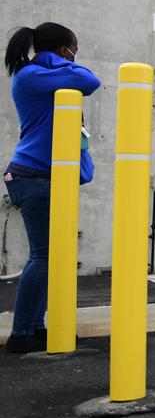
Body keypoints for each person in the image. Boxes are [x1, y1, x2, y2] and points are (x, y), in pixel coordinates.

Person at [4, 23, 101, 354]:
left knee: (51, 256)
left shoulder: (39, 75)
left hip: (42, 176)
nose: (76, 56)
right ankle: (21, 335)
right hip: (34, 177)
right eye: (73, 49)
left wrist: (55, 59)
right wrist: (57, 60)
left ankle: (36, 326)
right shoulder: (32, 75)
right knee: (44, 257)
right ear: (62, 51)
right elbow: (89, 81)